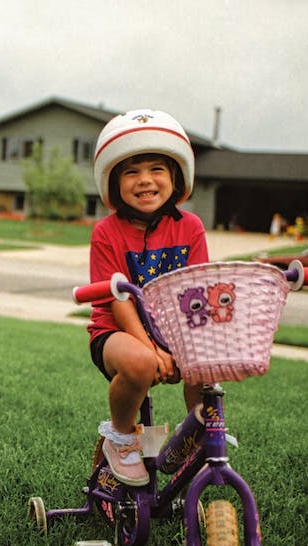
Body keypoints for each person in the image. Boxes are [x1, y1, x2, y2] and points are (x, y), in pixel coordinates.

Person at [88, 109, 208, 486]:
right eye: (131, 171)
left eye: (157, 169)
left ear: (176, 177)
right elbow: (117, 300)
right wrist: (153, 350)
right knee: (139, 363)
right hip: (117, 332)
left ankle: (197, 437)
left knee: (207, 364)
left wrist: (177, 348)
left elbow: (197, 294)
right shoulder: (106, 232)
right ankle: (121, 439)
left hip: (175, 333)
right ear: (113, 182)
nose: (145, 180)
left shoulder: (190, 228)